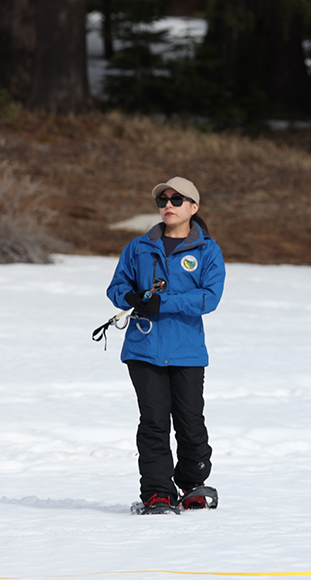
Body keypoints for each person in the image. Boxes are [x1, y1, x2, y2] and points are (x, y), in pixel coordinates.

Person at [107, 177, 225, 515]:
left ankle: (192, 485)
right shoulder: (138, 247)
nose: (168, 205)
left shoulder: (207, 250)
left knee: (190, 422)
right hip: (143, 349)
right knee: (154, 422)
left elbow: (209, 297)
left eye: (177, 199)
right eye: (163, 200)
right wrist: (130, 296)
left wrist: (164, 302)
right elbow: (116, 287)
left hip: (187, 350)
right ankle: (157, 493)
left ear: (194, 207)